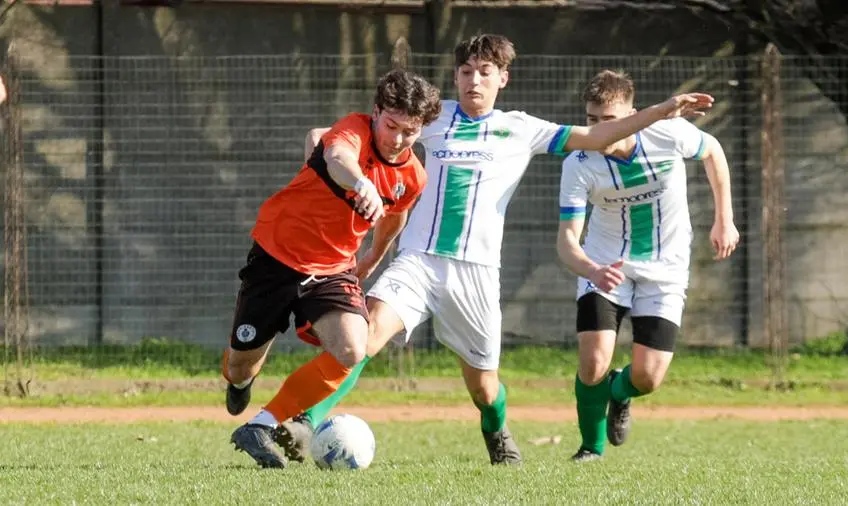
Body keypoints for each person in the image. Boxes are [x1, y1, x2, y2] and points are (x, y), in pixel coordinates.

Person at [278, 34, 715, 466]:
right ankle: (305, 420)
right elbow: (354, 134)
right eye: (466, 72)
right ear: (455, 76)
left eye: (485, 73)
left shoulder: (521, 128)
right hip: (418, 260)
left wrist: (662, 111)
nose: (474, 81)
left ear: (502, 78)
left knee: (484, 389)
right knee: (367, 334)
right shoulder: (433, 117)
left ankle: (496, 428)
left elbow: (598, 137)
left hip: (477, 275)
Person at [223, 68, 441, 468]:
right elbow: (336, 157)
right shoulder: (351, 132)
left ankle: (262, 425)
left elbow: (395, 216)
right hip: (275, 257)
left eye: (410, 132)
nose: (397, 140)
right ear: (376, 113)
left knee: (353, 349)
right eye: (391, 126)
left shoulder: (414, 176)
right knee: (240, 366)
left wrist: (372, 257)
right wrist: (361, 185)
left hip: (331, 270)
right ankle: (241, 382)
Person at [556, 70, 739, 462]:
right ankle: (591, 449)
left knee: (648, 377)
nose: (600, 130)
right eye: (591, 120)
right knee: (593, 362)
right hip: (605, 266)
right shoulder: (579, 162)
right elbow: (567, 240)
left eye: (611, 120)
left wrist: (724, 218)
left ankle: (620, 395)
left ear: (632, 114)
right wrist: (590, 269)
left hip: (666, 268)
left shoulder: (668, 134)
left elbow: (713, 152)